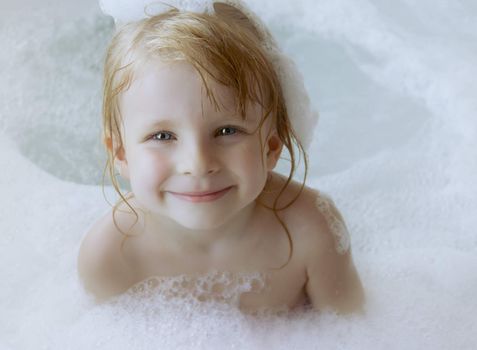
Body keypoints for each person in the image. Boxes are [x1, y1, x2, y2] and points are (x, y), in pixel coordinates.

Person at [78, 0, 365, 315]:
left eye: (227, 131)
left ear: (271, 145)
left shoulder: (310, 232)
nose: (198, 164)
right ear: (120, 153)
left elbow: (357, 332)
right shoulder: (110, 256)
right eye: (162, 136)